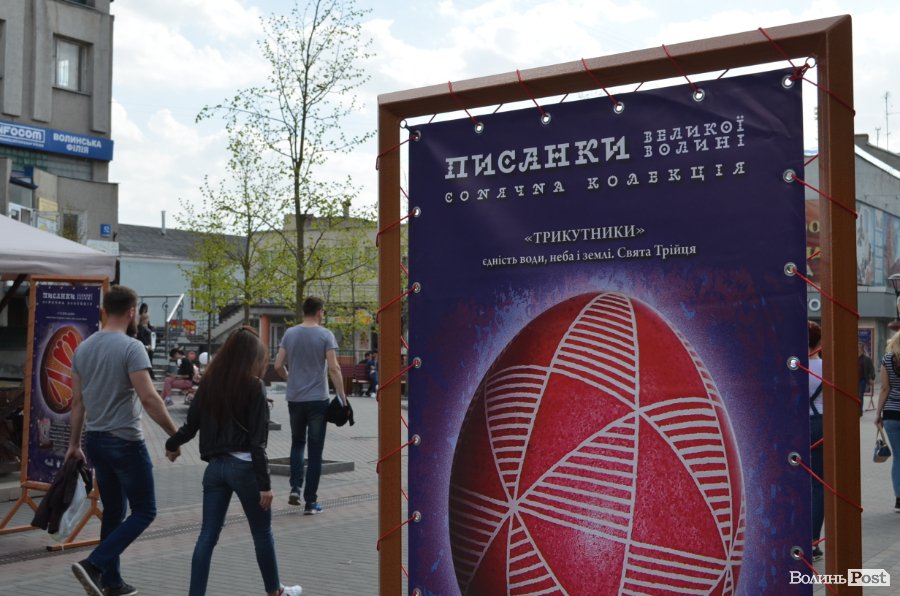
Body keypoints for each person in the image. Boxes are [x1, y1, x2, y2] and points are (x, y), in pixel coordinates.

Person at [165, 327, 303, 596]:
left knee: (207, 536)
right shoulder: (254, 386)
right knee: (262, 533)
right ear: (252, 358)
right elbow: (257, 442)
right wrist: (265, 484)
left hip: (215, 469)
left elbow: (190, 427)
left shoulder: (209, 384)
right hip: (245, 469)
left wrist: (172, 445)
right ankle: (274, 591)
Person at [65, 285, 180, 596]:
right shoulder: (132, 347)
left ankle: (112, 582)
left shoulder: (83, 349)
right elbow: (150, 399)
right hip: (125, 441)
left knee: (114, 511)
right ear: (132, 312)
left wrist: (74, 445)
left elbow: (77, 404)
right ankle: (94, 564)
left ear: (104, 310)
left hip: (95, 441)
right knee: (145, 511)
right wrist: (176, 435)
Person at [274, 296, 346, 514]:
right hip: (317, 400)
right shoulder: (325, 335)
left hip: (295, 399)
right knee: (315, 451)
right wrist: (342, 397)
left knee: (297, 443)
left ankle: (295, 488)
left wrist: (290, 380)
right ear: (319, 311)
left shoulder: (290, 333)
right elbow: (334, 368)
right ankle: (310, 502)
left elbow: (277, 365)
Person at [874, 331, 900, 514]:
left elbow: (884, 388)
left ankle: (899, 500)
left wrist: (878, 414)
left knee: (898, 457)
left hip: (891, 414)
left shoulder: (887, 359)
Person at [807, 320, 825, 561]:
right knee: (819, 485)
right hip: (820, 425)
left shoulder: (793, 366)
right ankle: (813, 540)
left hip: (795, 426)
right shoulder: (826, 368)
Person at [136, 303, 155, 379]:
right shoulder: (140, 315)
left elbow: (148, 321)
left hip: (147, 329)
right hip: (143, 330)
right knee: (146, 358)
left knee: (150, 357)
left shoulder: (147, 314)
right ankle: (148, 374)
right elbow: (141, 335)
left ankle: (151, 373)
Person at [859, 341, 876, 412]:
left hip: (862, 380)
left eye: (859, 348)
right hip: (853, 380)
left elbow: (872, 370)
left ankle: (859, 411)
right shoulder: (851, 358)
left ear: (862, 349)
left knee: (860, 395)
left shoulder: (867, 359)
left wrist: (871, 378)